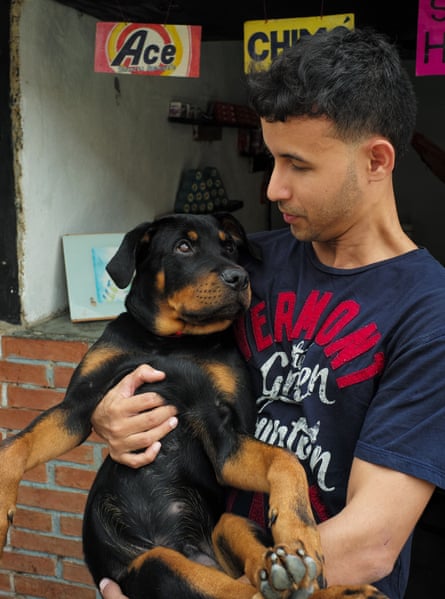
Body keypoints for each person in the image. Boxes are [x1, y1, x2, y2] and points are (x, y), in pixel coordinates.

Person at [92, 27, 445, 599]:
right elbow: (144, 357)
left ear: (376, 160)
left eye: (297, 164)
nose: (274, 187)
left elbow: (373, 540)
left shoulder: (430, 313)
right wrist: (112, 416)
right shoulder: (241, 266)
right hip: (204, 553)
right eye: (270, 158)